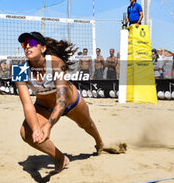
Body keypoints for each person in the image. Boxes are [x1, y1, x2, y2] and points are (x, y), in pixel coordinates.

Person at [16, 32, 126, 173]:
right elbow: (27, 104)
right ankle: (61, 158)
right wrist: (37, 129)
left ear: (43, 48)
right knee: (26, 133)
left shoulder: (55, 63)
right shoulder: (20, 70)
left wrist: (49, 126)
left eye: (31, 43)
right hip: (44, 107)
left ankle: (100, 144)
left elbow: (61, 101)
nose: (27, 47)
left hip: (71, 104)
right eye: (24, 44)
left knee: (88, 125)